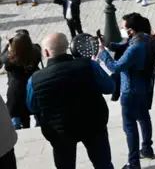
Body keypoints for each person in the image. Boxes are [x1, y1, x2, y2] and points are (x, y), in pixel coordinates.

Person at [28, 33, 115, 169]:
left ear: (45, 52)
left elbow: (32, 106)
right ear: (67, 47)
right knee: (103, 164)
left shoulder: (35, 79)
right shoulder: (88, 65)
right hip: (93, 123)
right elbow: (110, 87)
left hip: (60, 131)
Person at [98, 13, 155, 168]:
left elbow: (116, 66)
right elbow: (124, 46)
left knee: (130, 127)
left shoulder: (135, 47)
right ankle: (147, 148)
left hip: (130, 91)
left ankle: (133, 163)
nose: (121, 28)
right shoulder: (146, 39)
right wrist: (108, 44)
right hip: (144, 88)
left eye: (123, 26)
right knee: (144, 118)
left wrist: (102, 53)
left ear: (131, 30)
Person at [1, 31, 42, 129]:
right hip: (34, 83)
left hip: (17, 88)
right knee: (37, 107)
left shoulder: (10, 58)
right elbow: (35, 48)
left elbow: (2, 58)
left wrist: (9, 46)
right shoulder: (36, 51)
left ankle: (25, 126)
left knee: (22, 113)